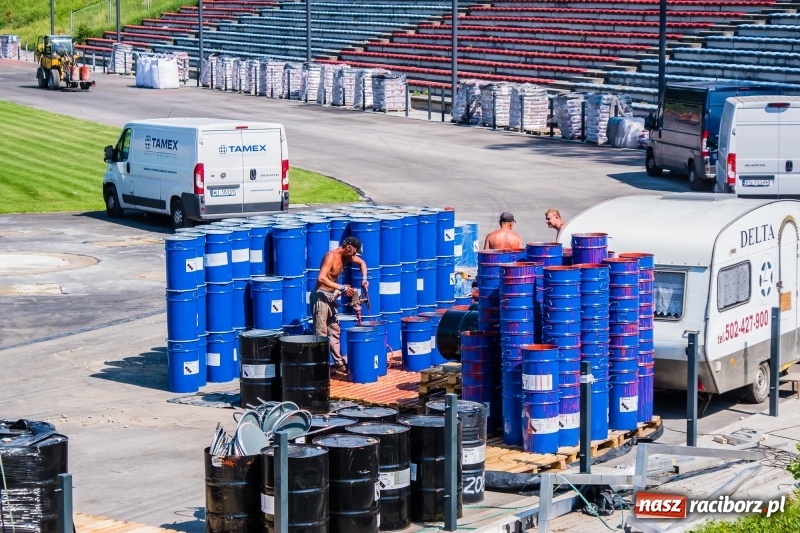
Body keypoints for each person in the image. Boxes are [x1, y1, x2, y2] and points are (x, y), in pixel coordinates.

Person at [311, 236, 369, 376]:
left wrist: (364, 279)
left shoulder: (347, 257)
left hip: (331, 297)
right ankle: (321, 368)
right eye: (354, 252)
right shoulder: (330, 256)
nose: (354, 256)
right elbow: (321, 278)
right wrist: (341, 288)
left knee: (335, 331)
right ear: (348, 247)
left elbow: (362, 263)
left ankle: (339, 363)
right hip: (321, 296)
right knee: (321, 334)